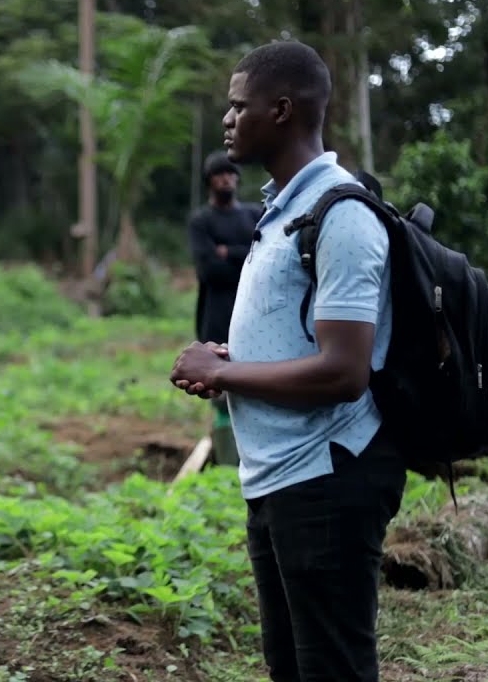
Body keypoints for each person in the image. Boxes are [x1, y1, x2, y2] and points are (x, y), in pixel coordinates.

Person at [169, 40, 402, 682]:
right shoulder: (282, 210)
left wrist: (222, 374)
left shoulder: (342, 214)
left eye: (237, 107)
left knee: (331, 668)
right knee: (290, 669)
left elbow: (342, 370)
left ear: (280, 110)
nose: (227, 119)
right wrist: (229, 357)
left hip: (327, 479)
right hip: (278, 480)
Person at [187, 150, 262, 467]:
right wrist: (244, 257)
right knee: (219, 391)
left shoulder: (255, 214)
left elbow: (263, 264)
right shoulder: (201, 220)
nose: (226, 179)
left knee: (256, 385)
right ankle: (228, 462)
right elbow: (208, 271)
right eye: (219, 175)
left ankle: (254, 454)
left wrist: (227, 252)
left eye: (231, 174)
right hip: (217, 317)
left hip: (257, 317)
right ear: (209, 181)